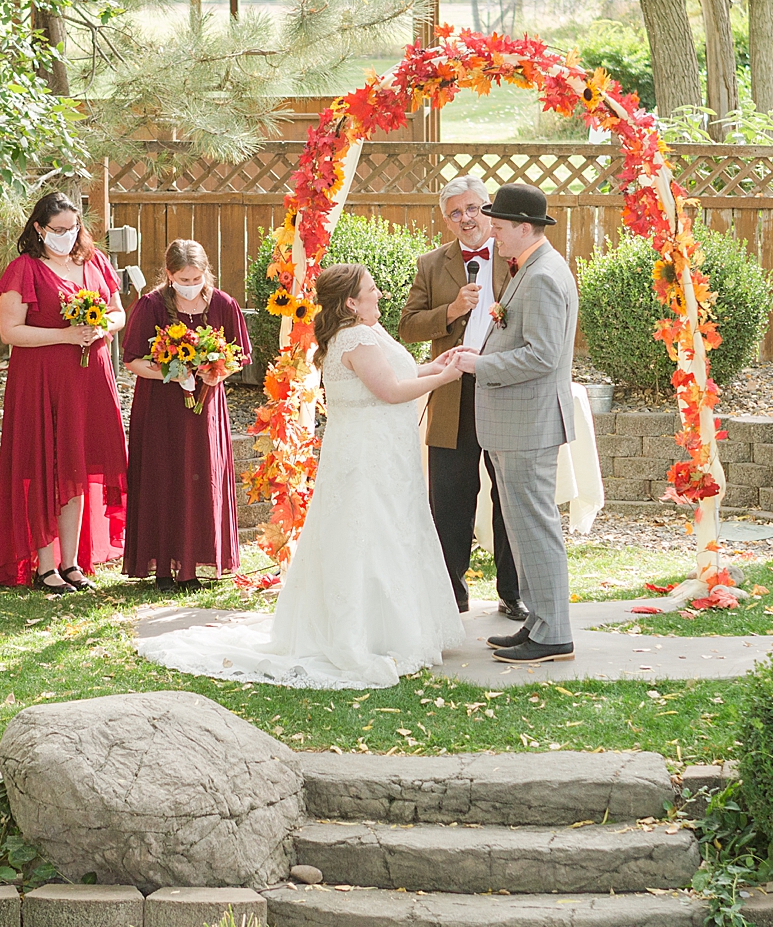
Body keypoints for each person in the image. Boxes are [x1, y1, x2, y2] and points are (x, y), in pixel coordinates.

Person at [136, 264, 471, 687]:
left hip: (386, 451)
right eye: (371, 288)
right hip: (366, 454)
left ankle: (395, 627)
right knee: (368, 532)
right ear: (350, 301)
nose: (380, 294)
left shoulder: (369, 330)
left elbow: (398, 376)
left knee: (392, 529)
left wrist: (433, 365)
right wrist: (447, 377)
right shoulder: (355, 337)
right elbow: (389, 392)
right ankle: (365, 633)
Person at [0, 192, 129, 594]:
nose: (66, 236)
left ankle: (72, 561)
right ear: (39, 229)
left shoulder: (94, 262)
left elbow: (118, 311)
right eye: (58, 230)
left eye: (72, 228)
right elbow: (11, 331)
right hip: (41, 379)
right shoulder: (24, 269)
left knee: (77, 465)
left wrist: (104, 327)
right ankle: (45, 566)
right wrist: (64, 334)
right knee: (44, 465)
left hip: (89, 379)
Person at [456, 183, 580, 663]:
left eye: (501, 227)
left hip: (529, 424)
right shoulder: (531, 267)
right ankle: (540, 623)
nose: (494, 234)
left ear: (524, 228)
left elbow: (544, 356)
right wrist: (481, 351)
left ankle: (553, 635)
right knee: (524, 526)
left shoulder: (545, 275)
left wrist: (478, 366)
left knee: (535, 526)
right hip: (517, 423)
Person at [398, 174, 523, 619]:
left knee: (509, 493)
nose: (466, 218)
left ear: (488, 209)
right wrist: (451, 310)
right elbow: (407, 326)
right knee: (449, 497)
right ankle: (450, 594)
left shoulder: (516, 256)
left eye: (473, 209)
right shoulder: (432, 264)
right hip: (454, 393)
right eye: (456, 212)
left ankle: (513, 591)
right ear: (446, 220)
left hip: (506, 389)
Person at [121, 239, 252, 587]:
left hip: (205, 406)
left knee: (201, 476)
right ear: (168, 274)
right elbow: (132, 358)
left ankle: (195, 562)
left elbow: (239, 356)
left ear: (206, 273)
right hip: (159, 408)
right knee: (163, 477)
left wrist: (218, 371)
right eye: (183, 279)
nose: (190, 285)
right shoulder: (150, 305)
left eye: (196, 279)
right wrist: (169, 371)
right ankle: (162, 566)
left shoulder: (223, 303)